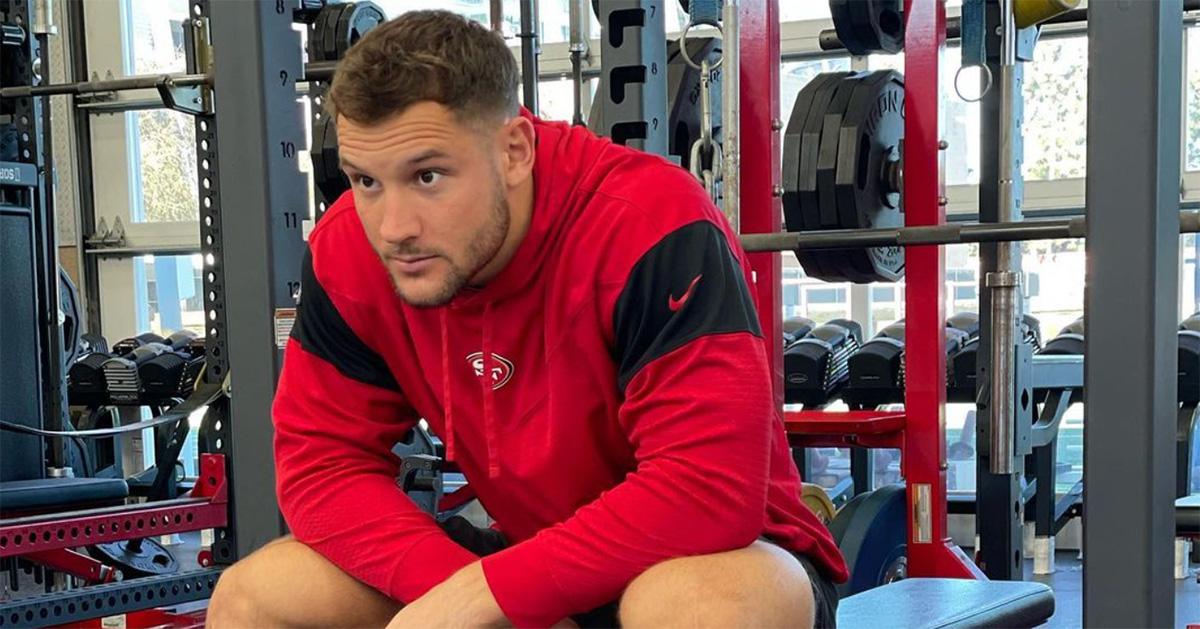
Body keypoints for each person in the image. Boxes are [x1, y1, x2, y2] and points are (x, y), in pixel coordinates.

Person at [206, 10, 846, 628]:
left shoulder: (649, 224)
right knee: (257, 594)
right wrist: (466, 593)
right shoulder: (352, 251)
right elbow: (323, 466)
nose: (393, 227)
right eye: (366, 181)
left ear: (515, 149)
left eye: (427, 175)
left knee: (692, 609)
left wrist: (490, 596)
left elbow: (706, 490)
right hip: (535, 553)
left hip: (714, 556)